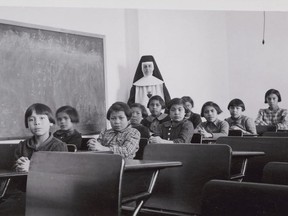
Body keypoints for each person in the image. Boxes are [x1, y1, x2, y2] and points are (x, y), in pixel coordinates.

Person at [14, 103, 67, 172]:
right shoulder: (22, 146)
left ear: (51, 122)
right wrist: (18, 165)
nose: (37, 123)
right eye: (31, 120)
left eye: (42, 118)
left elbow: (60, 172)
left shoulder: (59, 146)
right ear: (27, 125)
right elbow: (12, 168)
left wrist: (32, 167)